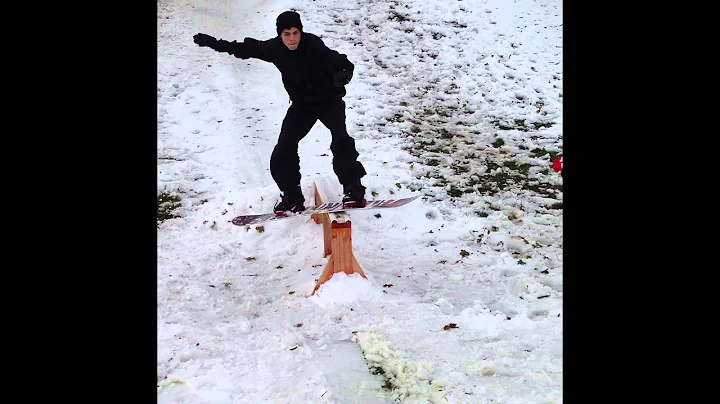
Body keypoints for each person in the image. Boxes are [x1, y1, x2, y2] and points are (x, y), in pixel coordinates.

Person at [192, 11, 368, 213]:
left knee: (341, 139)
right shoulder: (274, 48)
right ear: (279, 34)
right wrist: (214, 43)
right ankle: (292, 197)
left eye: (295, 32)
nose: (292, 38)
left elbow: (340, 61)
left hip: (329, 100)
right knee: (284, 147)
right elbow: (246, 49)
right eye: (286, 34)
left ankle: (353, 190)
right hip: (302, 105)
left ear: (301, 32)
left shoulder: (313, 45)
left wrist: (343, 74)